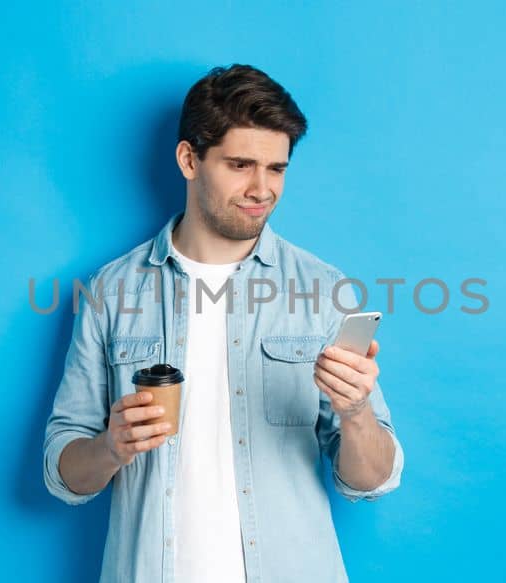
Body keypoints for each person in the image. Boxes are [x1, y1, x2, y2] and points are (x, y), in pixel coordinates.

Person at [42, 64, 404, 582]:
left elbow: (371, 480)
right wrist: (109, 446)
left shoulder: (325, 290)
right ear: (189, 159)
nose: (262, 189)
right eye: (240, 164)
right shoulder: (110, 292)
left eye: (276, 168)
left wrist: (358, 412)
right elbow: (64, 475)